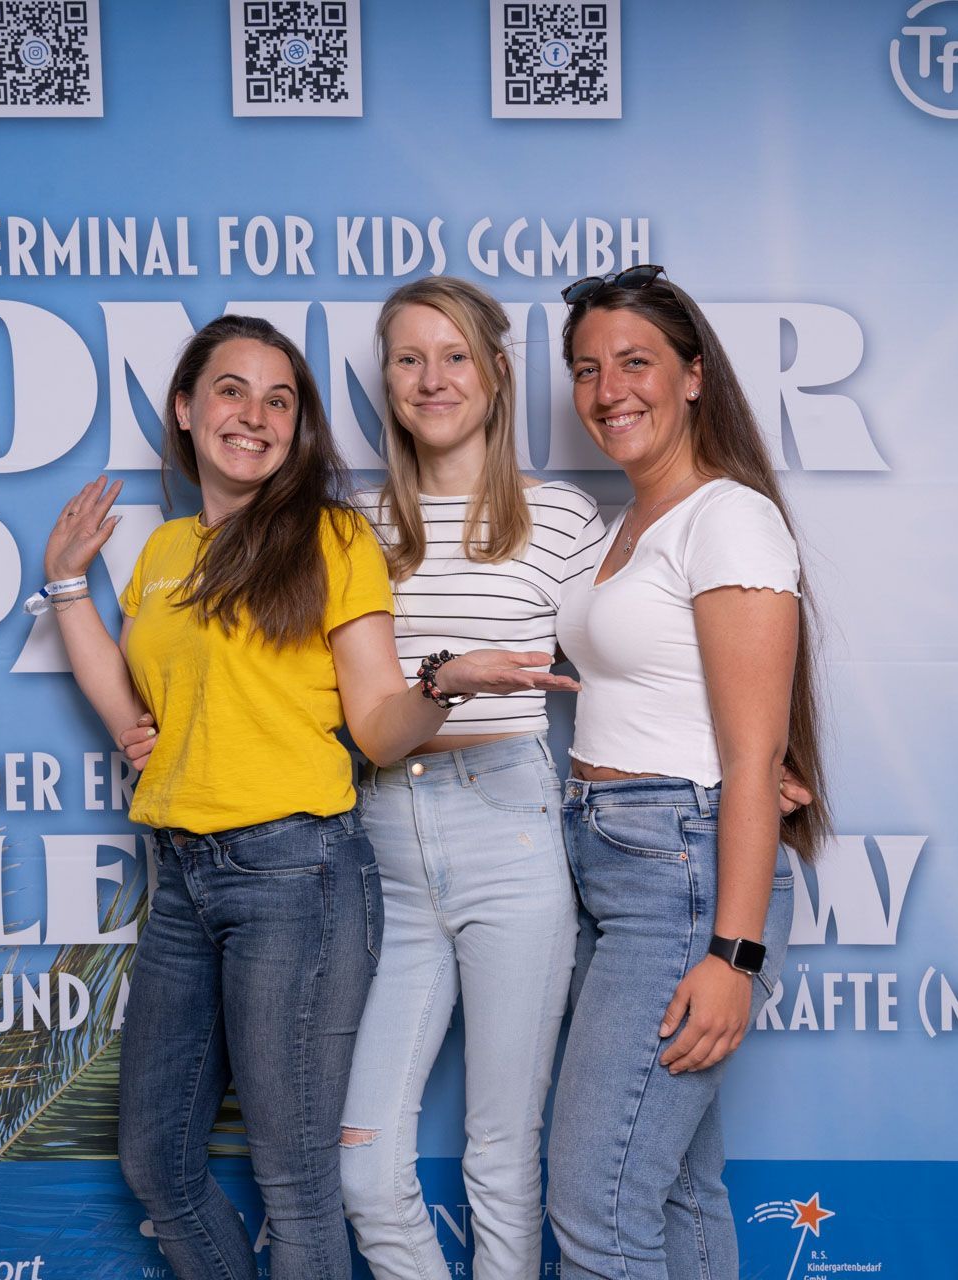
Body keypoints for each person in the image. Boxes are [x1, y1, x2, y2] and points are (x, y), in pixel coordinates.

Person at [39, 314, 573, 1280]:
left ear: (298, 427)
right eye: (232, 390)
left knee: (295, 1182)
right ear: (185, 410)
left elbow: (377, 727)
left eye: (279, 400)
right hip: (182, 879)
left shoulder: (332, 536)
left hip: (297, 874)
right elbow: (133, 715)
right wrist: (68, 585)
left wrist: (442, 682)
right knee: (157, 1163)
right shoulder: (164, 552)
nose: (255, 415)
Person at [545, 265, 831, 1279]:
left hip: (680, 878)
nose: (609, 389)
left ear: (694, 374)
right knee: (671, 1191)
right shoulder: (627, 525)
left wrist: (734, 956)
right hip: (611, 863)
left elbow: (753, 758)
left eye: (635, 362)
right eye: (587, 369)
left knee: (596, 1205)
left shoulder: (727, 518)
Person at [335, 276, 602, 1280]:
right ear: (387, 381)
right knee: (366, 1170)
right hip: (385, 841)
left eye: (454, 357)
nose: (431, 378)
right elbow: (291, 678)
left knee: (500, 1156)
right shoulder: (353, 524)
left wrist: (759, 759)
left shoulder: (561, 517)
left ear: (496, 372)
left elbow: (634, 659)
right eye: (409, 359)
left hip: (511, 826)